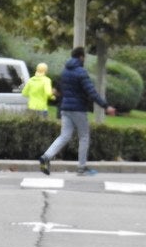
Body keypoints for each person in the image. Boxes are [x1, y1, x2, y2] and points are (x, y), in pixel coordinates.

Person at [39, 46, 116, 177]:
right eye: (84, 57)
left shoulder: (65, 71)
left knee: (64, 136)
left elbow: (59, 90)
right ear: (81, 57)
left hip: (65, 108)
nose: (84, 59)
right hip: (78, 109)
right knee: (84, 137)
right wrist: (105, 106)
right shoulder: (81, 72)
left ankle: (46, 157)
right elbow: (91, 92)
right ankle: (81, 168)